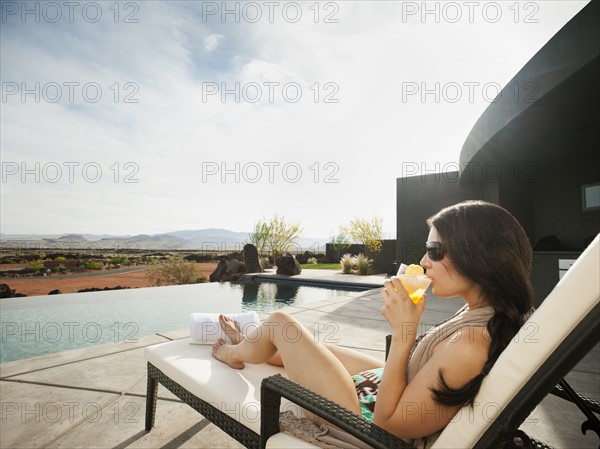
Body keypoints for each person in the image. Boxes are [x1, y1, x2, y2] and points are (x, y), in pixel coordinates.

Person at [212, 200, 534, 446]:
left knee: (283, 323)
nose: (424, 262)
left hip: (366, 432)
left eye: (434, 250)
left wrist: (404, 331)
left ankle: (235, 353)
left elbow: (387, 430)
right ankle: (254, 344)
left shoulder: (470, 345)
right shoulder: (488, 313)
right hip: (399, 390)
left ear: (478, 256)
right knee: (317, 348)